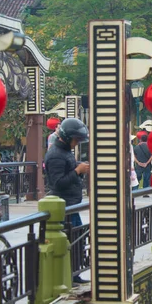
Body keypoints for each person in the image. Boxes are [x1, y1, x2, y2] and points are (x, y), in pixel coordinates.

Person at [44, 118, 89, 284]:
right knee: (70, 240)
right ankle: (68, 276)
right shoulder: (56, 155)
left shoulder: (64, 152)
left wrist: (78, 167)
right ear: (67, 137)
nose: (77, 143)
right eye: (76, 140)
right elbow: (57, 183)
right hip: (64, 205)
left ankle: (74, 274)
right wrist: (77, 171)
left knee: (77, 240)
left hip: (71, 204)